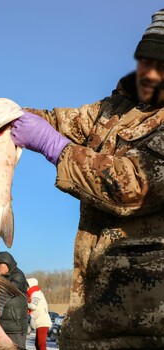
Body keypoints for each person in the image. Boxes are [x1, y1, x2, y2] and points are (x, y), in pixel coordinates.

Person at [10, 8, 164, 350]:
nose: (150, 74)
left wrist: (57, 149)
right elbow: (56, 120)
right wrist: (4, 115)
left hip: (149, 323)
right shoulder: (115, 110)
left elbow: (134, 186)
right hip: (91, 316)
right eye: (145, 60)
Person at [0, 251, 28, 349]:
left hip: (15, 326)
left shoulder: (18, 276)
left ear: (8, 264)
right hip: (1, 325)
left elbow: (6, 291)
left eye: (0, 264)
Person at [26, 278, 52, 350]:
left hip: (42, 322)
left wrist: (25, 303)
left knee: (41, 344)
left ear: (30, 285)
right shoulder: (36, 293)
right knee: (37, 344)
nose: (26, 288)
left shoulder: (36, 294)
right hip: (41, 322)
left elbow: (33, 306)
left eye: (27, 286)